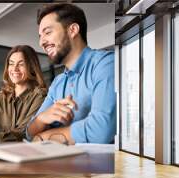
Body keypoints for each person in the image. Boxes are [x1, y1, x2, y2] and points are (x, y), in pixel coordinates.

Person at [26, 3, 116, 144]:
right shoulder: (58, 83)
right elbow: (30, 133)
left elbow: (101, 131)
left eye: (47, 32)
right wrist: (41, 119)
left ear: (73, 30)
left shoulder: (106, 63)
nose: (41, 42)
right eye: (40, 36)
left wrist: (43, 136)